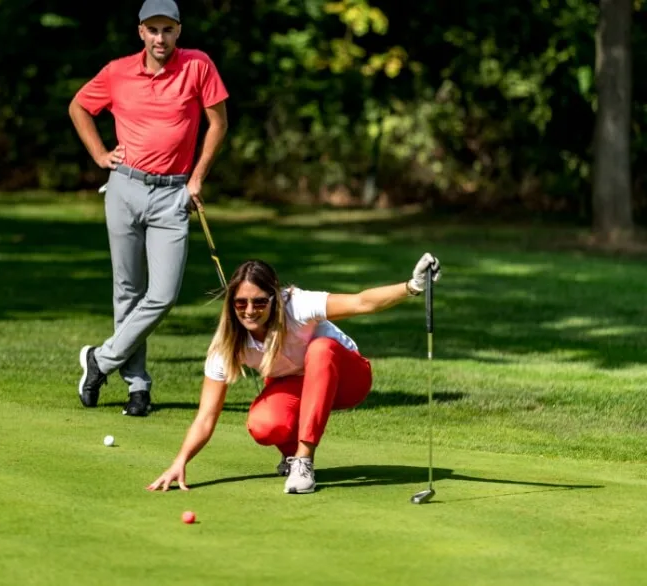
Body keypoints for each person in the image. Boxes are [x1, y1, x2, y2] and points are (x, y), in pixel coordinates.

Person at [147, 253, 442, 494]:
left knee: (320, 348)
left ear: (275, 298)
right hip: (298, 386)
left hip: (348, 378)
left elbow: (361, 302)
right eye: (241, 303)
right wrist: (180, 461)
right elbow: (206, 416)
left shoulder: (297, 305)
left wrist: (412, 286)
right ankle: (291, 455)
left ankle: (304, 460)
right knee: (264, 424)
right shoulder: (226, 346)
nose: (250, 311)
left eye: (260, 302)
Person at [69, 0, 229, 417]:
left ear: (179, 31)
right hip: (125, 188)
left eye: (168, 30)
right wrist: (100, 154)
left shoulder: (198, 66)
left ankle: (100, 361)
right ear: (141, 31)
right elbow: (79, 106)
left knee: (162, 294)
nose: (161, 38)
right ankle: (137, 387)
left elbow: (219, 123)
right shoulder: (118, 71)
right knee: (127, 291)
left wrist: (197, 178)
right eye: (153, 30)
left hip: (173, 193)